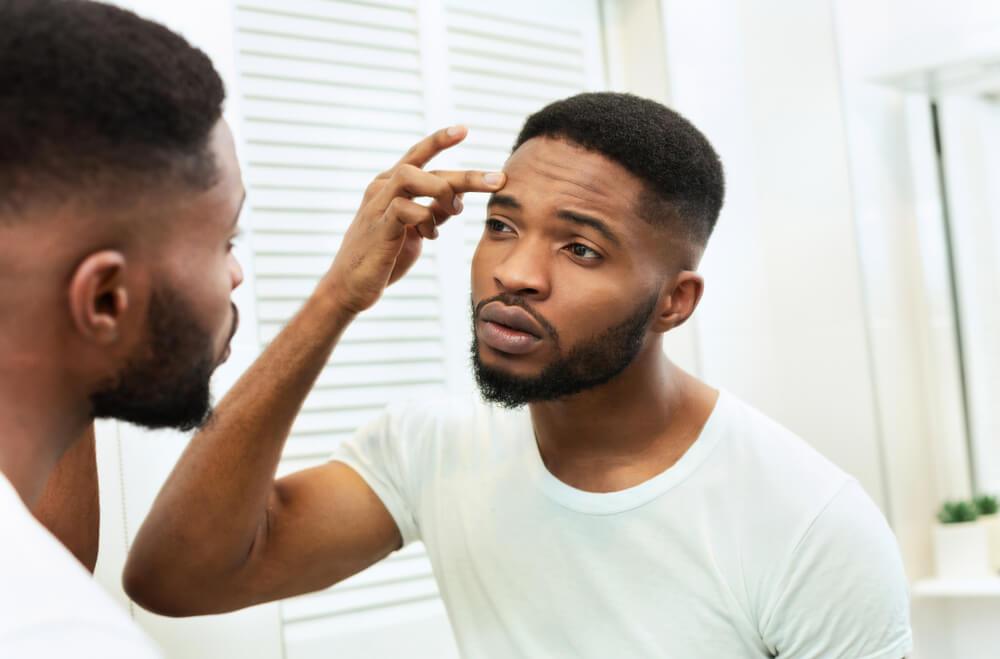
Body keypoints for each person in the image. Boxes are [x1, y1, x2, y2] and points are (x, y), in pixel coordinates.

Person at [124, 91, 913, 657]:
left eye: (580, 248)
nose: (516, 273)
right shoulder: (432, 449)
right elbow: (177, 577)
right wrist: (339, 296)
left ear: (675, 302)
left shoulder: (810, 526)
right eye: (501, 226)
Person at [0, 0, 490, 655]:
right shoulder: (58, 631)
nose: (235, 275)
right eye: (226, 239)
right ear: (106, 300)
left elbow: (52, 551)